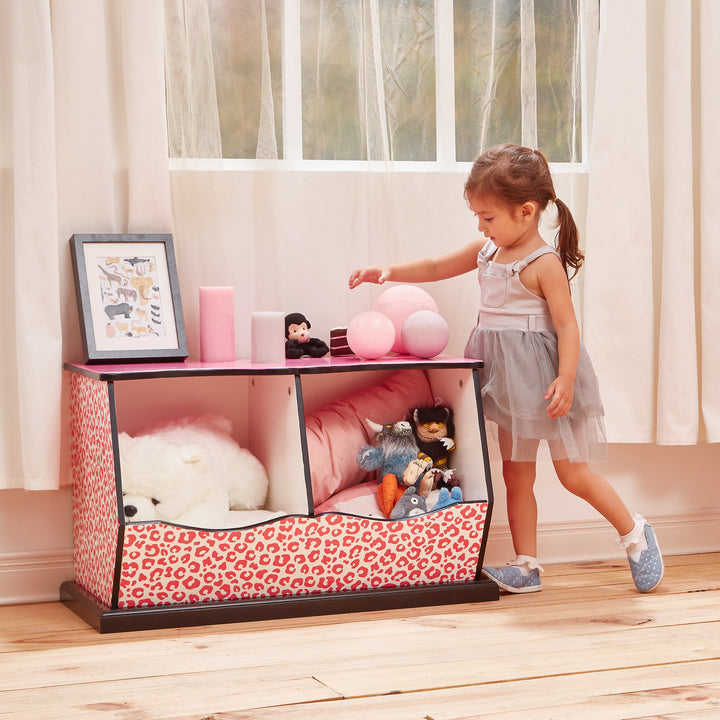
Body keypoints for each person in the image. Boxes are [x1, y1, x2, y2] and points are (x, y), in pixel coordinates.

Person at [348, 143, 663, 594]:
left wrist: (567, 378)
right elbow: (437, 265)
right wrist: (388, 271)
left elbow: (568, 327)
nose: (481, 225)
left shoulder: (543, 264)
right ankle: (527, 564)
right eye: (476, 216)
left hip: (546, 381)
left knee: (572, 474)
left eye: (488, 217)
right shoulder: (486, 252)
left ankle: (634, 533)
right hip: (506, 382)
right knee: (516, 475)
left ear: (527, 212)